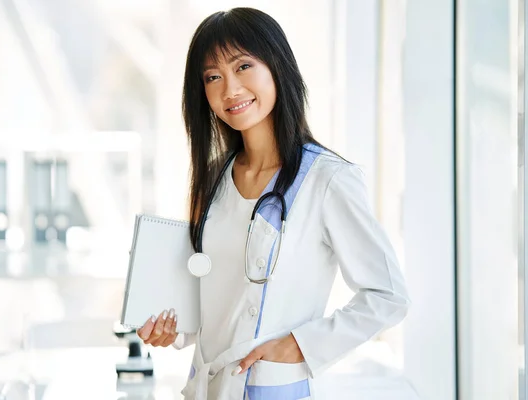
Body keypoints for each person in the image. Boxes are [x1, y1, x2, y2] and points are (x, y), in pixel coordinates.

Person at [137, 7, 410, 400]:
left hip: (275, 389)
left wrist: (298, 344)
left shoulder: (328, 180)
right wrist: (173, 328)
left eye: (243, 66)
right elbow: (218, 302)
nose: (229, 88)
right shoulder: (212, 179)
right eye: (213, 76)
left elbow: (389, 296)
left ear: (277, 66)